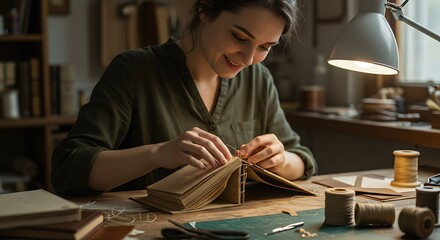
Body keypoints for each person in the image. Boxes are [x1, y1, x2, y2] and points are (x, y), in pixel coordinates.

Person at [52, 0, 317, 196]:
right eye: (239, 37)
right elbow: (70, 165)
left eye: (264, 47)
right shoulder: (133, 71)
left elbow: (302, 161)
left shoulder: (258, 79)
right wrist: (158, 153)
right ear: (205, 10)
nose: (248, 59)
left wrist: (280, 161)